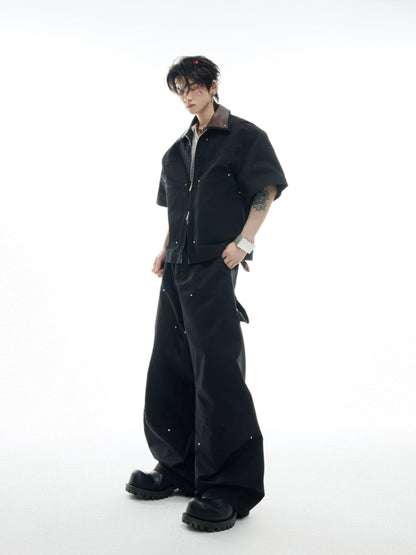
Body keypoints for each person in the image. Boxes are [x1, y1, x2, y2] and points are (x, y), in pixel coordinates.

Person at [126, 55, 288, 532]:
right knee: (170, 365)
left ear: (213, 85)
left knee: (217, 372)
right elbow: (177, 209)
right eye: (180, 89)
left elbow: (265, 190)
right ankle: (178, 467)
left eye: (194, 86)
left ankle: (228, 487)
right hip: (177, 268)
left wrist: (245, 241)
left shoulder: (244, 137)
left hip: (215, 267)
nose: (187, 96)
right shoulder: (175, 151)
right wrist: (165, 248)